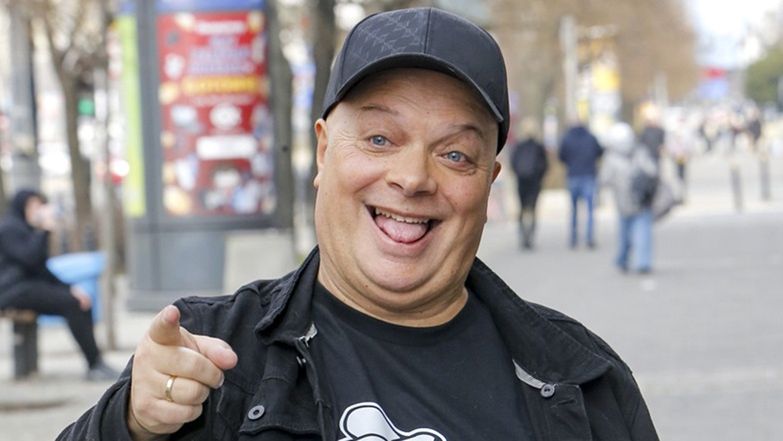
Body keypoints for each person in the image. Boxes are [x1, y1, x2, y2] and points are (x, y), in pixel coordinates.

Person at [58, 8, 659, 441]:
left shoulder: (584, 381)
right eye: (379, 139)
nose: (413, 177)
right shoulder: (210, 356)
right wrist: (130, 424)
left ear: (488, 182)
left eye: (455, 154)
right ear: (324, 152)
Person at [0, 189, 119, 381]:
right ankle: (94, 364)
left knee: (80, 300)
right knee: (72, 303)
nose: (37, 210)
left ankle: (95, 362)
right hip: (11, 292)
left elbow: (42, 270)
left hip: (27, 288)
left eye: (39, 205)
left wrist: (71, 289)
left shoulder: (28, 230)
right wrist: (44, 230)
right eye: (32, 206)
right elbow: (29, 259)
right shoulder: (9, 229)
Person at [600, 122, 657, 274]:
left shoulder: (611, 158)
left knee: (624, 233)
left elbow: (604, 179)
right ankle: (642, 261)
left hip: (623, 202)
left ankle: (623, 259)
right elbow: (652, 171)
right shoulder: (640, 152)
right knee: (643, 232)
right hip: (641, 199)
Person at [558, 120, 603, 249]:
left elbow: (561, 156)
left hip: (573, 175)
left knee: (574, 209)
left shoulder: (567, 138)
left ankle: (573, 238)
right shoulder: (591, 138)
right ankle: (589, 237)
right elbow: (599, 152)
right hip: (588, 175)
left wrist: (571, 163)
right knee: (590, 209)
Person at [510, 118, 548, 249]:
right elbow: (545, 165)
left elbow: (513, 163)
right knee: (533, 209)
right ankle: (530, 236)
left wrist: (519, 174)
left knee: (521, 208)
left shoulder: (518, 146)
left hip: (522, 181)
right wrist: (539, 176)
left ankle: (522, 235)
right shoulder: (539, 147)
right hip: (535, 181)